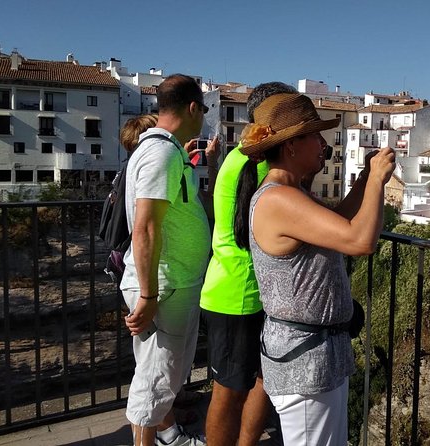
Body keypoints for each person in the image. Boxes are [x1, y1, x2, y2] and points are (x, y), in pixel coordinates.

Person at [234, 93, 395, 445]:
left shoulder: (291, 193)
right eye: (316, 135)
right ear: (292, 145)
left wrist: (364, 179)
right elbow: (361, 241)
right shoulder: (278, 198)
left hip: (315, 356)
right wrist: (379, 182)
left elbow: (337, 223)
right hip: (304, 363)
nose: (323, 144)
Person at [200, 81, 297, 446]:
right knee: (228, 393)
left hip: (244, 293)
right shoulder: (257, 165)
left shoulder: (240, 157)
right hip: (237, 297)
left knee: (261, 380)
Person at [120, 74, 211, 446]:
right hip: (166, 285)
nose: (203, 116)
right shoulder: (160, 153)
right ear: (192, 108)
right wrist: (149, 294)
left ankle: (164, 438)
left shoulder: (165, 151)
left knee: (158, 377)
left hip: (169, 283)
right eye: (203, 109)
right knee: (154, 383)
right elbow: (145, 228)